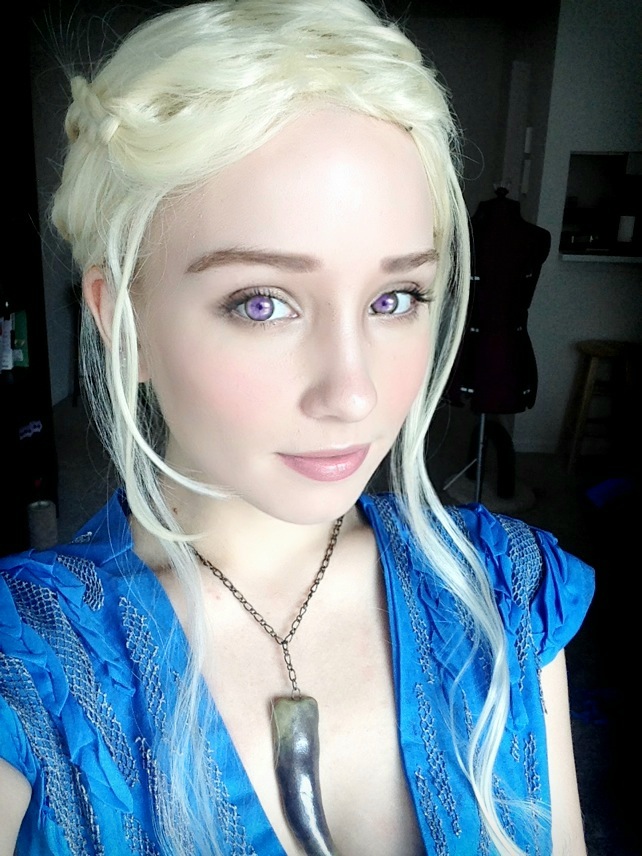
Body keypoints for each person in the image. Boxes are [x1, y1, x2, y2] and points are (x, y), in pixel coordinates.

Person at [0, 1, 594, 854]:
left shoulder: (504, 595)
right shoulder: (29, 664)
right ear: (121, 319)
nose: (353, 393)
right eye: (262, 303)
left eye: (396, 298)